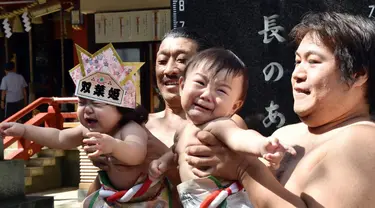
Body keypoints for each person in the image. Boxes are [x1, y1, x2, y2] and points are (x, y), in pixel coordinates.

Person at [184, 12, 375, 207]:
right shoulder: (285, 134)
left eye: (314, 61)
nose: (297, 74)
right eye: (298, 61)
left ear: (357, 74)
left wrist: (243, 167)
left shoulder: (364, 141)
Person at [0, 44, 173, 208]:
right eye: (81, 102)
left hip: (147, 198)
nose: (87, 110)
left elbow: (136, 154)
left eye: (97, 104)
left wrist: (113, 146)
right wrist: (23, 130)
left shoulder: (129, 128)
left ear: (121, 110)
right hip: (114, 197)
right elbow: (59, 138)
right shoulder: (87, 130)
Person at [86, 27, 248, 200]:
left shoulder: (227, 126)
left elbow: (242, 185)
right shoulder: (136, 126)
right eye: (162, 61)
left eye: (181, 60)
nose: (168, 70)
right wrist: (110, 166)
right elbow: (98, 193)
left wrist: (165, 158)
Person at [149, 48, 295, 207]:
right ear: (182, 85)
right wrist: (163, 162)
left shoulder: (218, 125)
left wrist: (262, 145)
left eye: (221, 90)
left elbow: (239, 137)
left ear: (234, 107)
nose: (206, 94)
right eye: (200, 83)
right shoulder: (183, 130)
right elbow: (176, 150)